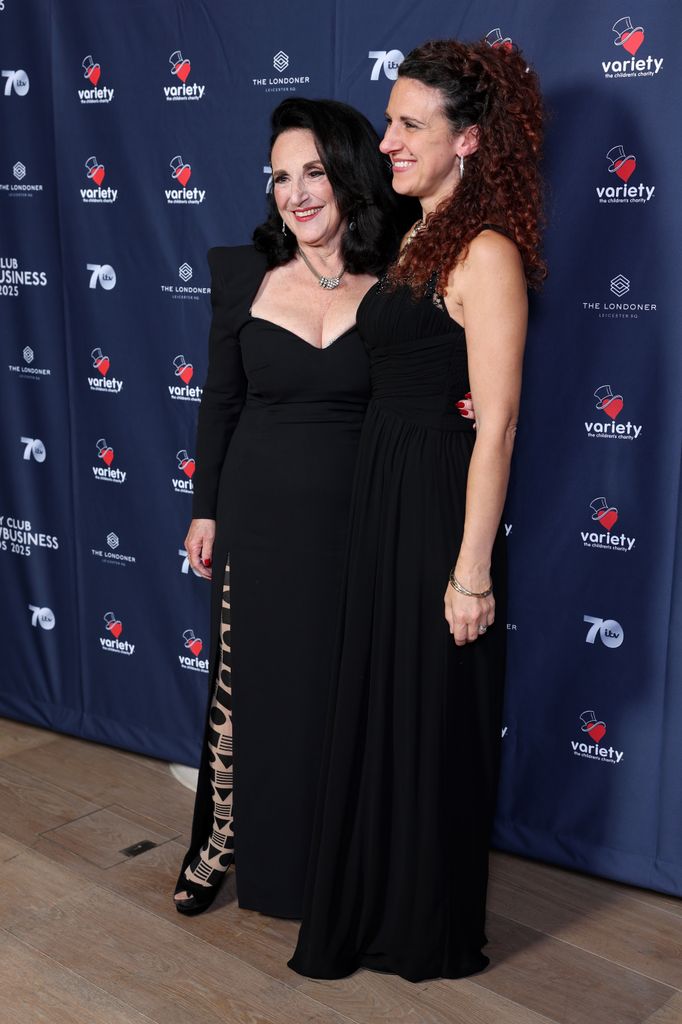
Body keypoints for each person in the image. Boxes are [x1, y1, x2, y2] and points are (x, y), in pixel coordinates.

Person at [289, 39, 545, 981]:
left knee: (430, 717)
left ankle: (422, 925)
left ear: (469, 139)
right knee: (383, 707)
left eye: (409, 124)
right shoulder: (415, 233)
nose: (388, 139)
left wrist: (470, 571)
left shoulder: (485, 253)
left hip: (439, 504)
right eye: (389, 120)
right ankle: (371, 907)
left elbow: (499, 424)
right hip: (382, 494)